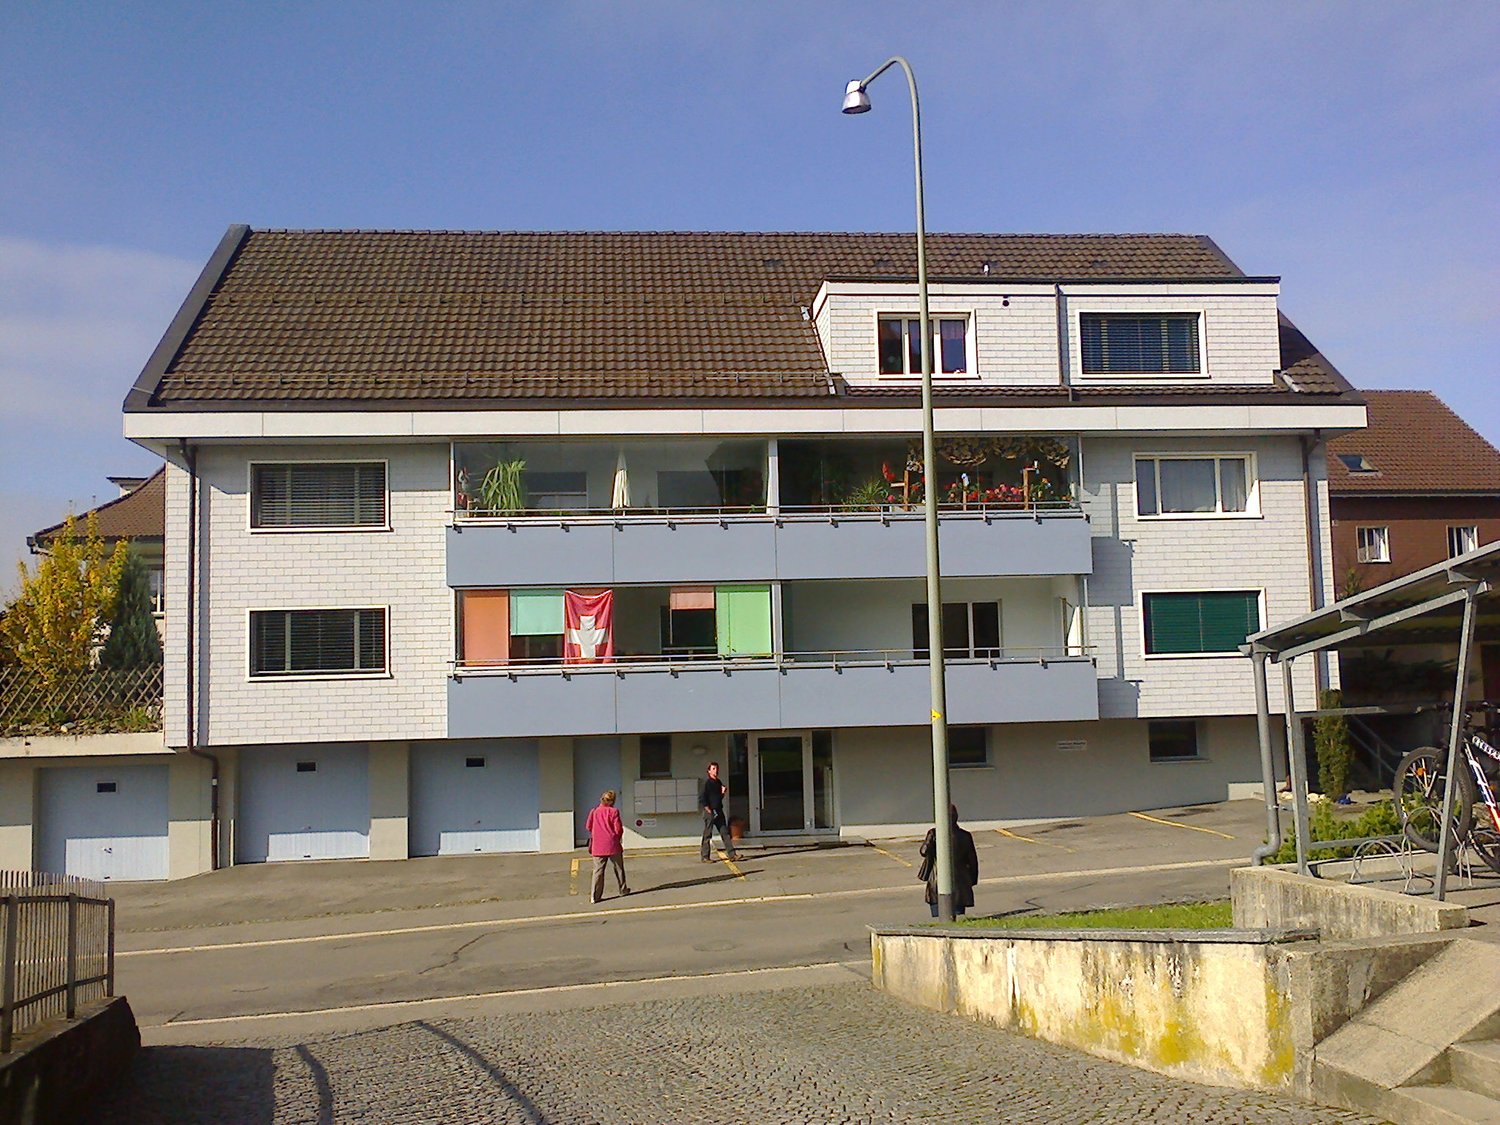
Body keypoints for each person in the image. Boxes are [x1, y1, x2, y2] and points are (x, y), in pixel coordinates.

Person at [918, 805, 979, 918]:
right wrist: (972, 880)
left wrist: (930, 839)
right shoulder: (965, 836)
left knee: (938, 917)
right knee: (958, 916)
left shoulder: (935, 833)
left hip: (937, 882)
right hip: (960, 882)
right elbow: (973, 862)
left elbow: (923, 851)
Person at [585, 790, 630, 904]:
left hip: (598, 845)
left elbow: (588, 826)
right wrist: (617, 837)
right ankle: (623, 889)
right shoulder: (614, 811)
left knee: (598, 871)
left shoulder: (594, 811)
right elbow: (618, 829)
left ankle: (595, 896)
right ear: (612, 801)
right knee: (619, 868)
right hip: (612, 844)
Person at [700, 761, 738, 863]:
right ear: (708, 771)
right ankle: (705, 856)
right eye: (713, 769)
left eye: (716, 769)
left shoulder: (718, 782)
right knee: (708, 834)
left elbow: (718, 798)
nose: (715, 771)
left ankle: (732, 854)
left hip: (719, 811)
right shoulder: (707, 783)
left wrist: (722, 793)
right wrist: (708, 809)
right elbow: (702, 798)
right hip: (710, 812)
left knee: (725, 833)